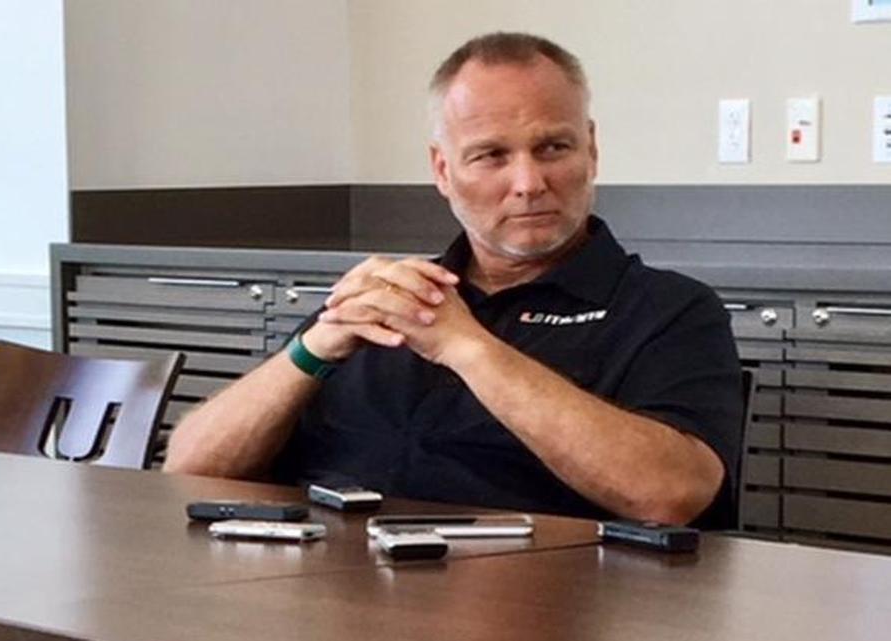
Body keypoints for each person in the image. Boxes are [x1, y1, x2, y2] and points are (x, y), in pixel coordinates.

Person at [164, 32, 742, 528]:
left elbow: (672, 495)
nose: (528, 182)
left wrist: (467, 348)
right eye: (491, 155)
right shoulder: (394, 294)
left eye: (553, 147)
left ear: (591, 149)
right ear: (443, 170)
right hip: (329, 599)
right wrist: (314, 348)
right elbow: (187, 471)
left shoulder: (669, 309)